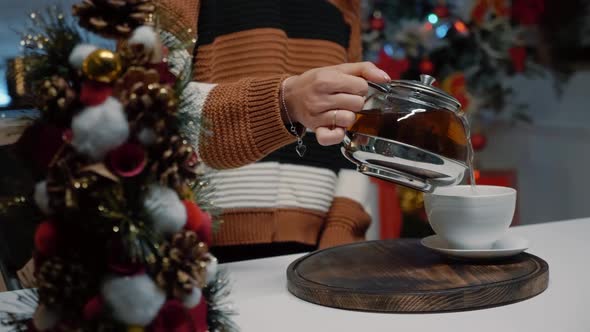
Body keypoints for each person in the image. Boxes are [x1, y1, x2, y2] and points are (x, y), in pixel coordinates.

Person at [157, 0, 391, 262]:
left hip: (320, 249)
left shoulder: (345, 5)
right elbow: (157, 104)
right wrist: (284, 102)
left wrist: (343, 229)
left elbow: (353, 123)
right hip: (205, 247)